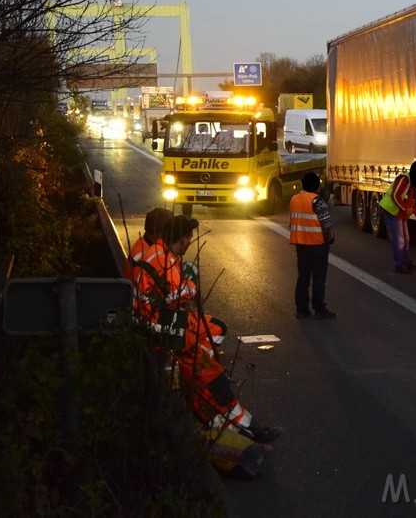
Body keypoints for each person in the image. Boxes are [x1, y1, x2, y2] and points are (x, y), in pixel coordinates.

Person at [132, 215, 281, 445]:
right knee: (213, 379)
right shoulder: (164, 261)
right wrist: (190, 286)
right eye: (190, 238)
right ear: (183, 239)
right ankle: (246, 429)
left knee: (212, 339)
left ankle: (207, 396)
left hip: (164, 324)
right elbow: (176, 295)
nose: (190, 242)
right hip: (165, 329)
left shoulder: (160, 254)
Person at [289, 172, 336, 319]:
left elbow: (292, 222)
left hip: (300, 244)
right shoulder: (318, 201)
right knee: (319, 278)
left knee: (303, 278)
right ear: (316, 185)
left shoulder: (294, 199)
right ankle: (319, 308)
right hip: (317, 244)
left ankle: (302, 310)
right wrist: (329, 239)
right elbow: (326, 224)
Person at [379, 160, 416, 274]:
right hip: (391, 211)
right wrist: (404, 209)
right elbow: (394, 195)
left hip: (399, 213)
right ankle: (399, 264)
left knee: (405, 239)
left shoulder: (412, 185)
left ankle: (405, 261)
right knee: (399, 240)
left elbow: (413, 204)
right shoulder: (405, 179)